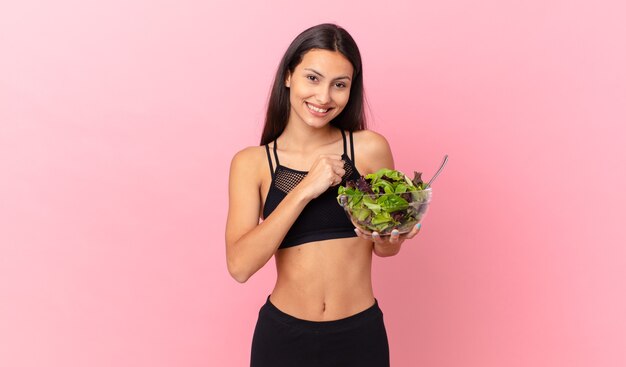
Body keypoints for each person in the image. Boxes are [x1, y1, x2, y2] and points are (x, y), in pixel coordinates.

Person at [225, 23, 421, 367]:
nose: (324, 97)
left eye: (339, 85)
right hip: (283, 339)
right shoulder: (251, 163)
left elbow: (384, 247)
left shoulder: (369, 149)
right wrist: (305, 189)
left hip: (359, 336)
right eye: (312, 78)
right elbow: (240, 266)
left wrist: (393, 238)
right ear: (289, 76)